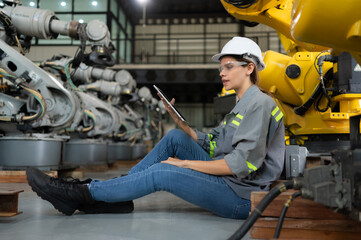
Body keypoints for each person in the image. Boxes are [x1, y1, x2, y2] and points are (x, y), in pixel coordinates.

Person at [27, 37, 285, 219]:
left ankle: (80, 192)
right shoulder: (241, 103)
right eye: (221, 68)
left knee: (163, 172)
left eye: (229, 67)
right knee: (174, 137)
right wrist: (182, 125)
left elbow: (239, 165)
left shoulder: (259, 104)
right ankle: (117, 195)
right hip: (231, 180)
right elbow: (215, 145)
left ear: (250, 67)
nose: (222, 73)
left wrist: (183, 164)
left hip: (240, 196)